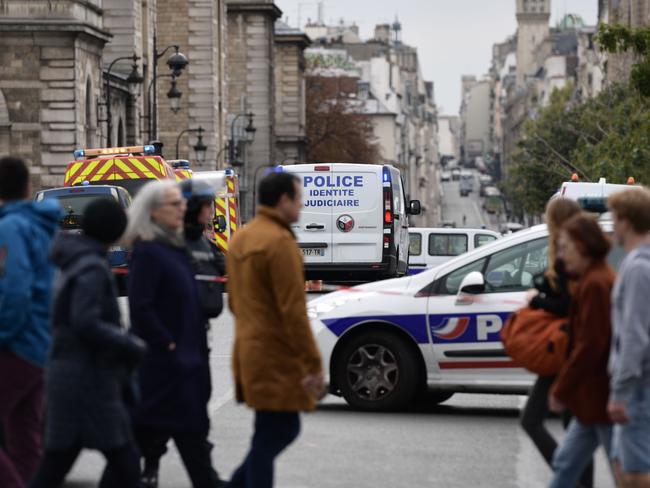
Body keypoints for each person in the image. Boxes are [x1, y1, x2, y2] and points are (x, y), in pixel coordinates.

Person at [29, 198, 146, 488]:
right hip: (86, 380)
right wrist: (130, 344)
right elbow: (86, 322)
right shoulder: (92, 267)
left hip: (74, 377)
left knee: (58, 462)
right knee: (124, 462)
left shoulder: (74, 259)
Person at [123, 180, 224, 488]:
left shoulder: (181, 246)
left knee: (192, 436)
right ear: (154, 212)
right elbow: (141, 308)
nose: (182, 208)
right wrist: (168, 344)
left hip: (189, 358)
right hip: (165, 366)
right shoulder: (150, 252)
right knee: (139, 445)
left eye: (183, 203)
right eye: (175, 204)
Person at [226, 172, 324, 488]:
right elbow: (293, 311)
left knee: (270, 432)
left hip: (248, 348)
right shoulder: (280, 243)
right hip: (275, 355)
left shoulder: (242, 237)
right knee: (275, 433)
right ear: (283, 201)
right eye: (298, 198)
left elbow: (235, 302)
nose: (302, 204)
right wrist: (312, 364)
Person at [520, 198, 594, 486]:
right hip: (572, 348)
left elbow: (567, 304)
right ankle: (577, 480)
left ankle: (568, 475)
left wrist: (536, 299)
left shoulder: (567, 255)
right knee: (575, 425)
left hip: (565, 350)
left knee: (533, 419)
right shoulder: (576, 251)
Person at [0, 157, 61, 488]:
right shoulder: (41, 227)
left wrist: (3, 334)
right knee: (25, 438)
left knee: (24, 436)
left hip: (17, 345)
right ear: (27, 188)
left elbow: (15, 291)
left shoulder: (9, 228)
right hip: (40, 343)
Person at [549, 213, 616, 488]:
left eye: (565, 248)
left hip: (603, 395)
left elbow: (591, 344)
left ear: (582, 246)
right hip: (593, 397)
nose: (561, 256)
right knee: (566, 463)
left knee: (623, 471)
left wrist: (562, 389)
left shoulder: (596, 283)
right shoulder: (593, 279)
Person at [607, 188, 650, 487]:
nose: (612, 225)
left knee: (635, 475)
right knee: (622, 466)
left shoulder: (637, 268)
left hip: (637, 387)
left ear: (626, 221)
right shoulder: (637, 261)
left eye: (614, 218)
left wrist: (621, 391)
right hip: (637, 385)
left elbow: (634, 336)